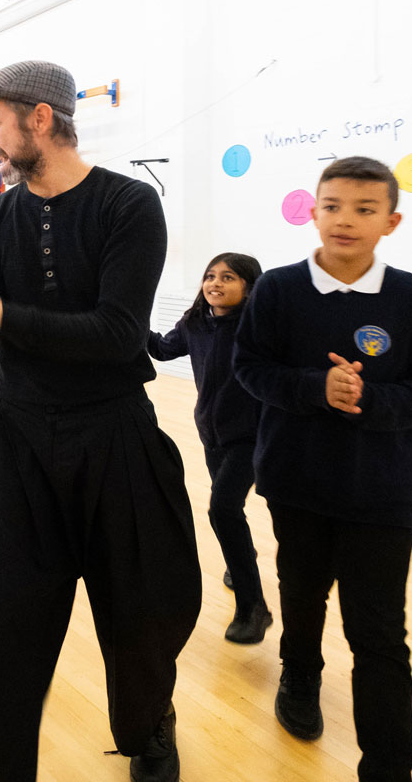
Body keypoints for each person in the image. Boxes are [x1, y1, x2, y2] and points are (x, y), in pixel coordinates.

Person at [0, 60, 201, 782]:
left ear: (41, 119)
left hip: (114, 435)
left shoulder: (127, 206)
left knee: (141, 616)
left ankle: (149, 731)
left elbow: (120, 335)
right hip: (18, 437)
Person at [234, 156, 412, 782]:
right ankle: (299, 678)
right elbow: (250, 367)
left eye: (364, 210)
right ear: (314, 211)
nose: (345, 221)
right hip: (296, 482)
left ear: (392, 220)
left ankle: (388, 768)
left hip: (381, 493)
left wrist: (371, 400)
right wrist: (316, 388)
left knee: (380, 635)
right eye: (332, 206)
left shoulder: (411, 297)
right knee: (302, 597)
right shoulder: (278, 290)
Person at [149, 252, 272, 644]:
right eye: (211, 276)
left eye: (229, 277)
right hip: (212, 434)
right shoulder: (194, 324)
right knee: (229, 510)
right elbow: (163, 350)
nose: (216, 283)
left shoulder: (259, 328)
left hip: (251, 436)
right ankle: (242, 562)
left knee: (221, 508)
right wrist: (129, 322)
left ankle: (254, 607)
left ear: (249, 287)